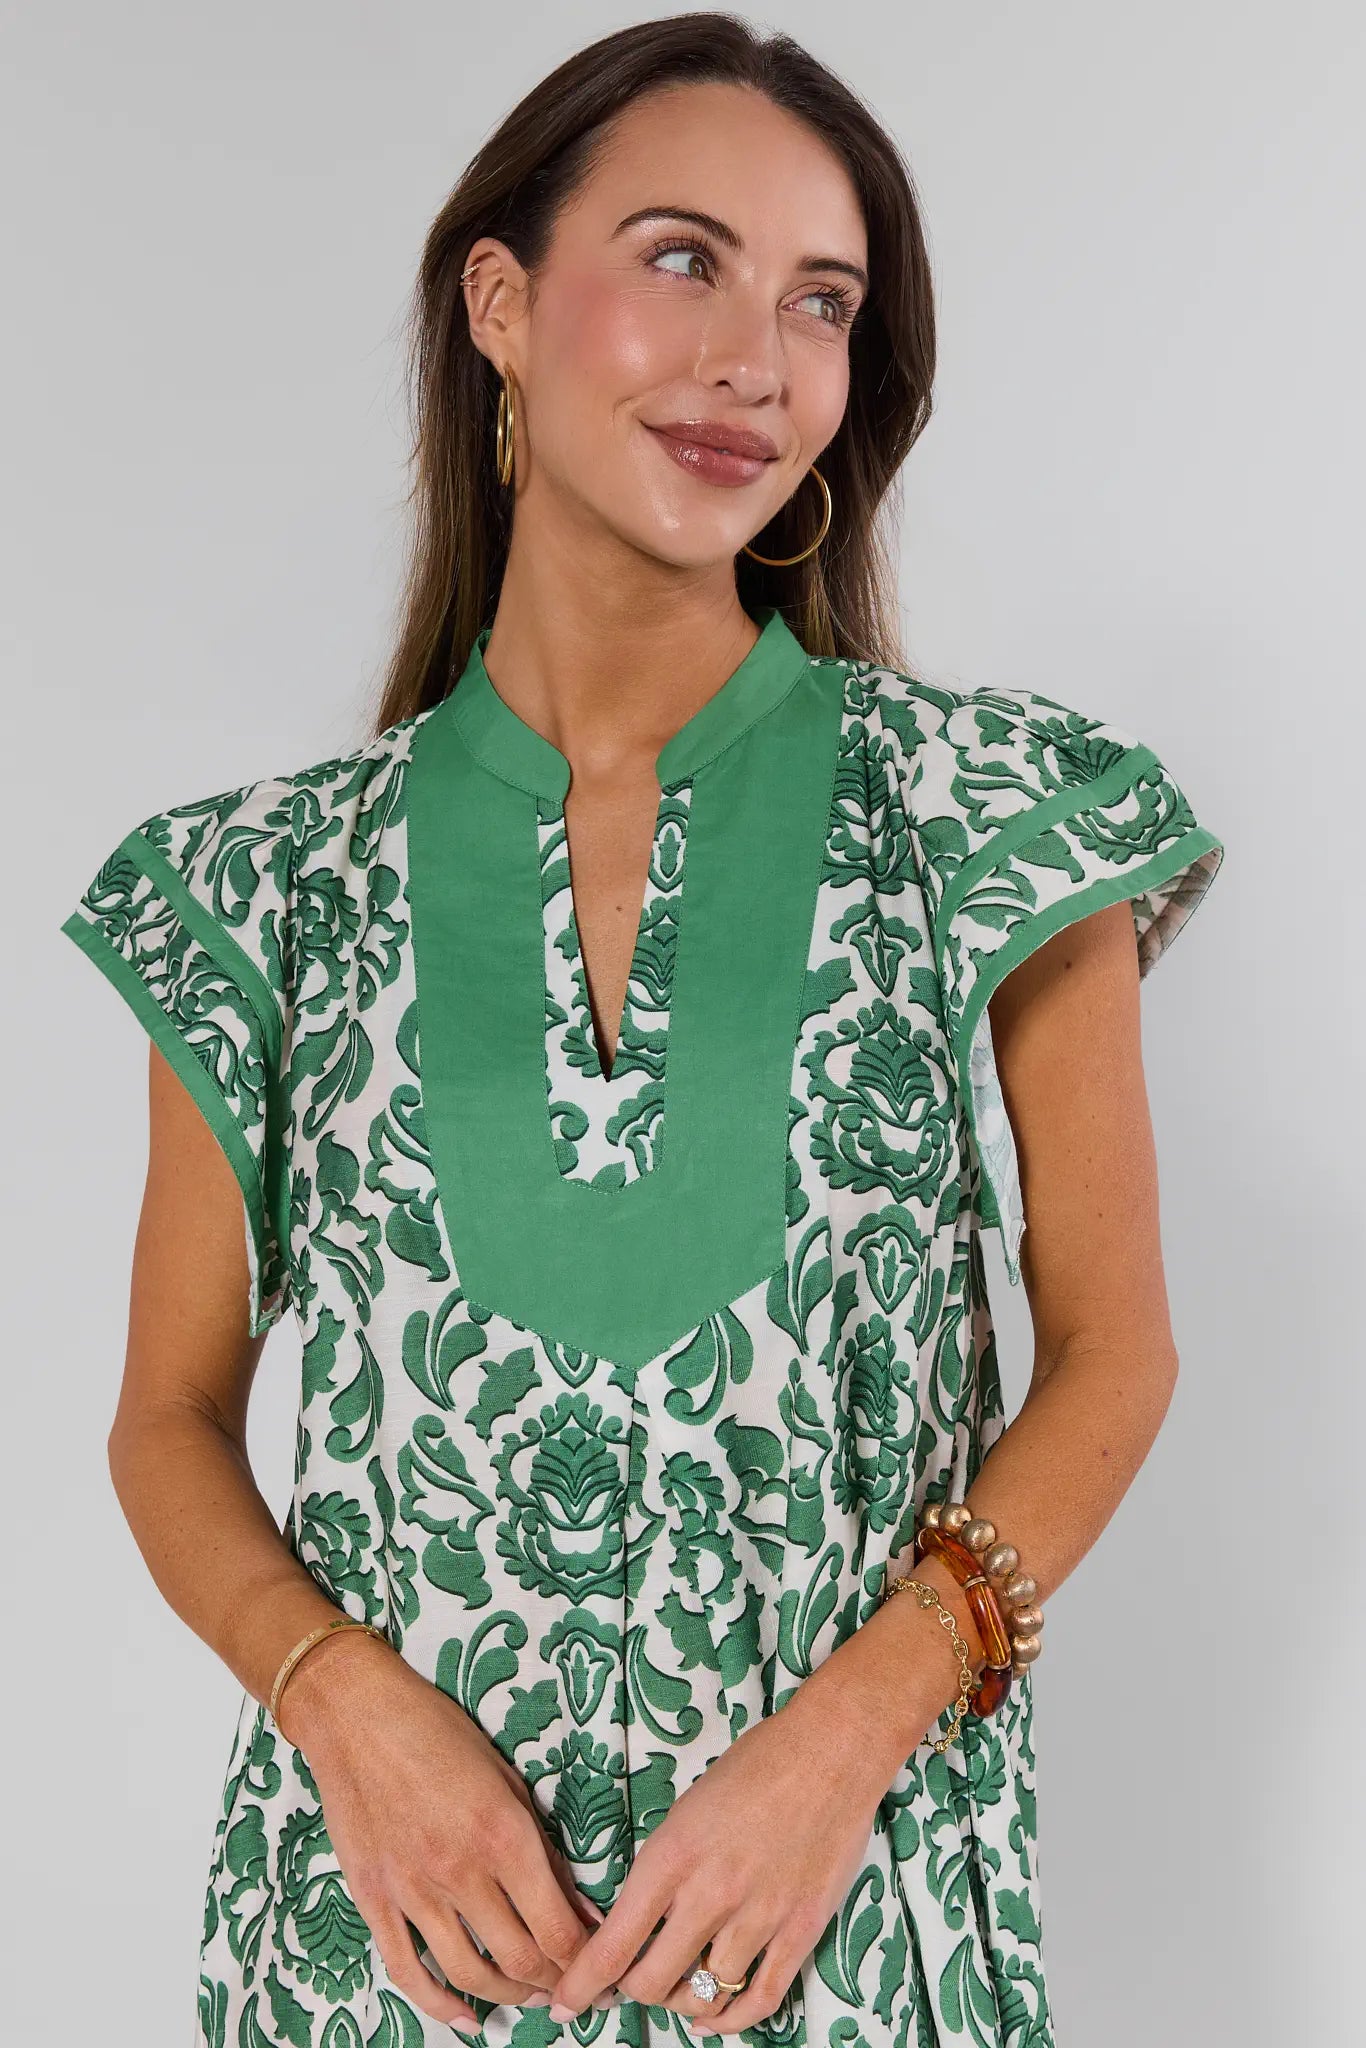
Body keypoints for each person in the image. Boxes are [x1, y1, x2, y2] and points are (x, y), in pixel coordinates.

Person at [59, 15, 1225, 2047]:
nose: (755, 362)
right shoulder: (263, 886)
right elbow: (168, 1418)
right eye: (682, 259)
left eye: (819, 302)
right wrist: (339, 1708)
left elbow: (1114, 1351)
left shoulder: (985, 816)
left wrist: (845, 1740)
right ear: (499, 301)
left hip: (846, 1927)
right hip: (386, 1948)